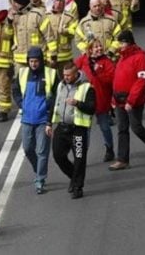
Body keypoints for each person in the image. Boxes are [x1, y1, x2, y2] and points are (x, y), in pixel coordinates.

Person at [108, 30, 145, 171]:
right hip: (119, 99)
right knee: (122, 129)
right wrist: (113, 98)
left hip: (133, 101)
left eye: (122, 42)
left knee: (137, 128)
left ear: (129, 42)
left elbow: (141, 81)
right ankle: (122, 160)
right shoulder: (122, 57)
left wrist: (131, 101)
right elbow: (117, 79)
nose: (119, 45)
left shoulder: (140, 58)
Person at [12, 47, 57, 194]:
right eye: (31, 61)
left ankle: (40, 179)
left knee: (42, 151)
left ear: (41, 61)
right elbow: (16, 90)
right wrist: (21, 104)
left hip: (43, 119)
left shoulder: (51, 74)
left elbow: (56, 97)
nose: (33, 64)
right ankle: (39, 169)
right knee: (27, 149)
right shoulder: (23, 73)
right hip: (27, 119)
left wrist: (50, 120)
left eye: (36, 61)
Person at [48, 63, 96, 199]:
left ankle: (77, 187)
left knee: (79, 159)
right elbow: (55, 103)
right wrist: (48, 123)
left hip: (78, 130)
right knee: (58, 156)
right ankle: (74, 177)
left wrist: (77, 103)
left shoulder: (87, 88)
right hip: (62, 128)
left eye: (68, 75)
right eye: (64, 75)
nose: (66, 77)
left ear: (76, 74)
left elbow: (92, 108)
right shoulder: (61, 85)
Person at [76, 39, 116, 162]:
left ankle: (109, 149)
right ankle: (82, 154)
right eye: (96, 47)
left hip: (101, 100)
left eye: (100, 46)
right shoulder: (83, 60)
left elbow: (111, 79)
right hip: (85, 101)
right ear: (90, 49)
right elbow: (73, 70)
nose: (99, 49)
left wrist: (97, 74)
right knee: (84, 129)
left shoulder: (107, 62)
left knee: (104, 127)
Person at [40, 0, 77, 70]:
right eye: (57, 1)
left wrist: (65, 31)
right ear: (53, 2)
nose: (59, 3)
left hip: (65, 56)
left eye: (61, 1)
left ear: (64, 3)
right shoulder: (46, 16)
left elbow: (75, 32)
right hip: (49, 55)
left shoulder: (69, 17)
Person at [11, 0, 44, 74]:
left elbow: (49, 36)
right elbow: (8, 35)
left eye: (15, 2)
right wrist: (8, 21)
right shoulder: (13, 16)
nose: (13, 5)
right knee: (20, 84)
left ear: (20, 3)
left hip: (36, 57)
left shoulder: (37, 15)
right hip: (19, 58)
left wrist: (52, 55)